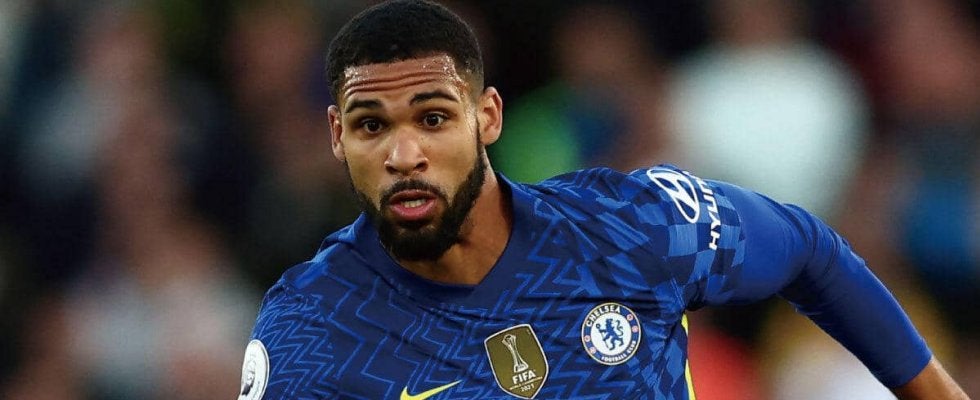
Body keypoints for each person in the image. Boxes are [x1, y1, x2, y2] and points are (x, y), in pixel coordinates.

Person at [239, 1, 969, 399]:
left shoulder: (628, 228)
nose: (403, 156)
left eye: (433, 118)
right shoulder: (310, 331)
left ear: (487, 117)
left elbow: (808, 250)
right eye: (372, 126)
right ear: (336, 136)